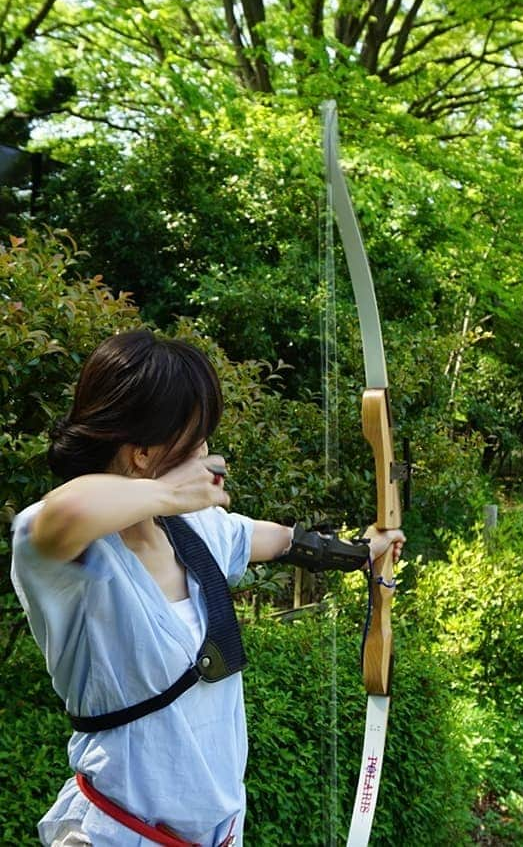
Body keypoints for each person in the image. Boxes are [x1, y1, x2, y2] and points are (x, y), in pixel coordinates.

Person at [10, 330, 404, 846]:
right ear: (143, 451)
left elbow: (273, 539)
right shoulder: (73, 555)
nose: (207, 454)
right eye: (195, 439)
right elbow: (61, 513)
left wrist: (361, 549)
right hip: (118, 834)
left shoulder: (191, 532)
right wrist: (166, 493)